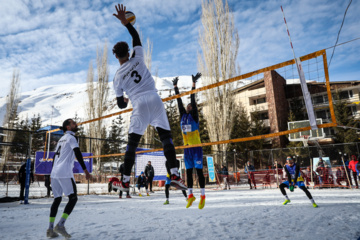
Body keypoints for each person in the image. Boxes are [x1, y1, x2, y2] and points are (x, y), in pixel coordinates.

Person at [112, 4, 186, 193]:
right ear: (128, 52)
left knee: (132, 144)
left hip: (139, 103)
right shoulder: (137, 57)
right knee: (166, 138)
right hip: (154, 99)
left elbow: (121, 104)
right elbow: (136, 37)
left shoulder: (117, 77)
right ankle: (175, 174)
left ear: (115, 56)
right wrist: (125, 23)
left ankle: (126, 181)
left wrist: (126, 101)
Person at [46, 119, 91, 238]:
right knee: (73, 198)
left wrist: (51, 174)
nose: (76, 124)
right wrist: (85, 170)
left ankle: (50, 229)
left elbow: (55, 158)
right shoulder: (72, 138)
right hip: (64, 171)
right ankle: (60, 225)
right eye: (73, 123)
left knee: (57, 199)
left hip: (55, 172)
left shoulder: (61, 139)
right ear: (68, 127)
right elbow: (78, 153)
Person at [172, 73, 206, 209]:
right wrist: (175, 87)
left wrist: (193, 84)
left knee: (198, 172)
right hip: (187, 149)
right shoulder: (183, 116)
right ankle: (190, 196)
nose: (188, 106)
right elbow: (179, 101)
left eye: (191, 106)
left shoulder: (194, 116)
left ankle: (203, 196)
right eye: (188, 106)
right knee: (189, 173)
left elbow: (193, 97)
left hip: (196, 147)